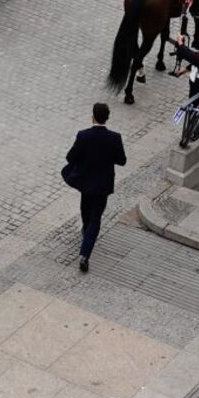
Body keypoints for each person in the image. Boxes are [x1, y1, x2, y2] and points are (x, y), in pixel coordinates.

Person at [63, 103, 126, 273]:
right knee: (96, 217)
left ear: (93, 117)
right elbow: (122, 160)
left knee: (85, 210)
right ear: (107, 118)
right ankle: (84, 254)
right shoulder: (115, 137)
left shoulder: (83, 136)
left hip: (86, 183)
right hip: (103, 185)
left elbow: (70, 157)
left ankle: (86, 233)